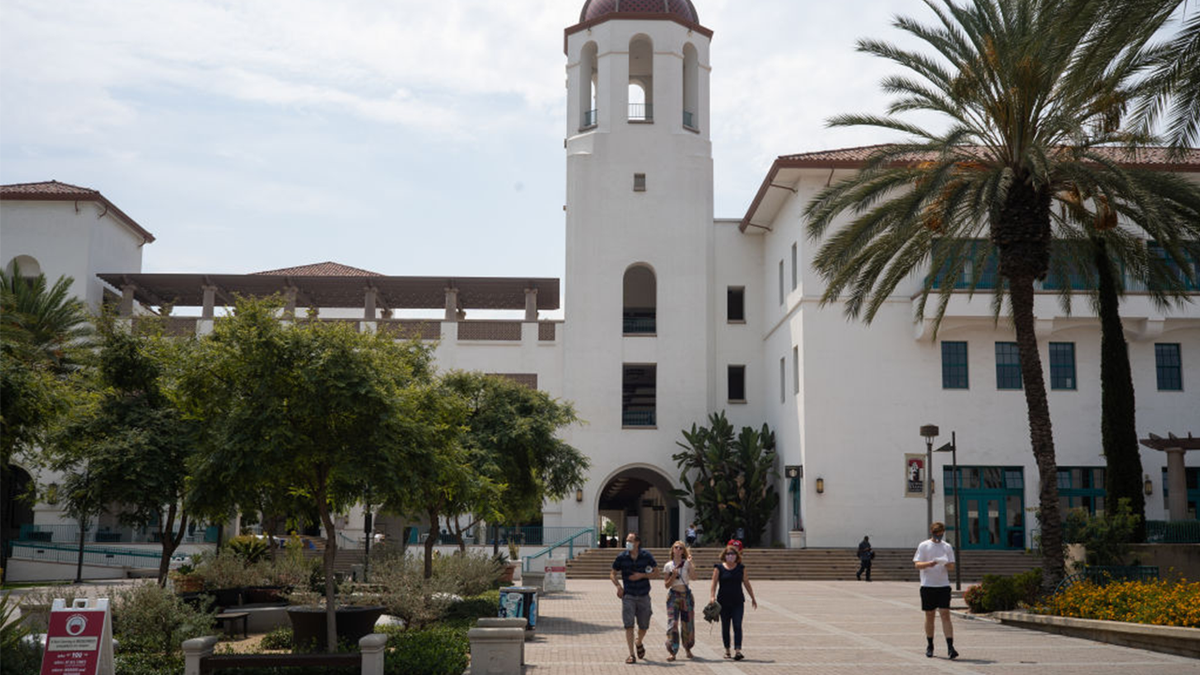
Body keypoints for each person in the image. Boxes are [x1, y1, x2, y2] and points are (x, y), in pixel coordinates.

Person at [913, 522, 959, 659]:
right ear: (932, 532)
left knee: (945, 614)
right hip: (928, 585)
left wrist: (945, 563)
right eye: (936, 534)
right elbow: (917, 564)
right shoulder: (924, 545)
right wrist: (929, 563)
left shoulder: (947, 547)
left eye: (941, 534)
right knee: (930, 615)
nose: (938, 537)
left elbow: (951, 566)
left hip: (943, 585)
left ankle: (950, 647)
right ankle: (930, 645)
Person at [611, 532, 657, 664]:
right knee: (628, 625)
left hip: (643, 595)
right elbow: (613, 573)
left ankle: (639, 641)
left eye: (630, 540)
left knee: (644, 625)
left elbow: (656, 573)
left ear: (637, 543)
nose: (628, 543)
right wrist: (619, 587)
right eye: (627, 540)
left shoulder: (646, 556)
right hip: (628, 595)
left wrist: (641, 576)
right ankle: (631, 654)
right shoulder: (622, 557)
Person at [710, 544, 757, 661]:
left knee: (737, 625)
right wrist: (712, 596)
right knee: (725, 627)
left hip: (737, 601)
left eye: (732, 554)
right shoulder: (719, 568)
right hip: (723, 602)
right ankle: (727, 650)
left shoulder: (741, 568)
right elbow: (714, 583)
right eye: (728, 554)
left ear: (737, 556)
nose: (730, 556)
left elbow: (746, 582)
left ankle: (738, 650)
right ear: (724, 556)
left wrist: (753, 597)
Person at [661, 540, 695, 661]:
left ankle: (688, 648)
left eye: (681, 548)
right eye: (676, 547)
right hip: (673, 596)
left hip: (686, 595)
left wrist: (691, 565)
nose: (678, 549)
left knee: (687, 623)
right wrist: (673, 577)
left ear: (683, 551)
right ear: (672, 550)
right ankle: (672, 651)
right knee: (673, 623)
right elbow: (666, 585)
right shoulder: (668, 565)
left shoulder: (687, 564)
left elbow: (694, 577)